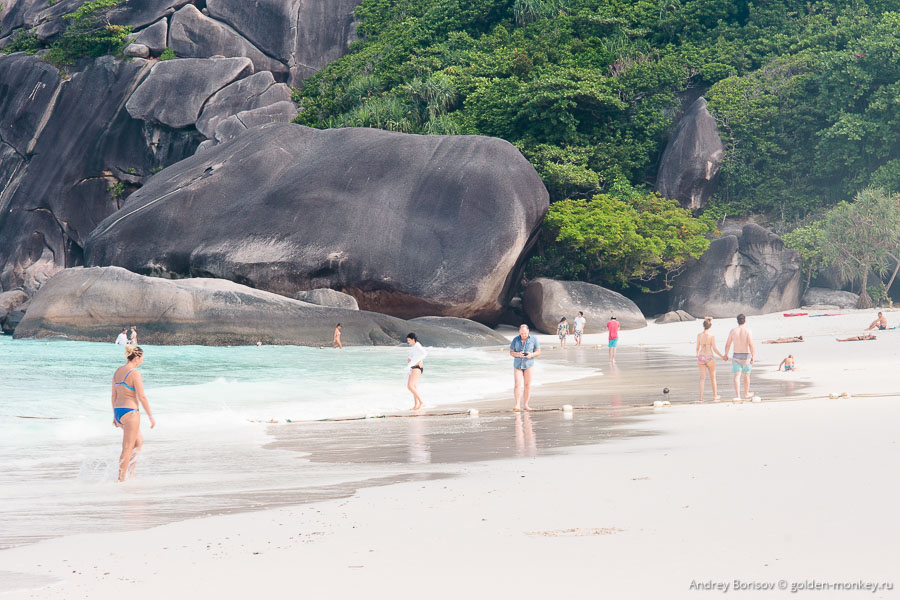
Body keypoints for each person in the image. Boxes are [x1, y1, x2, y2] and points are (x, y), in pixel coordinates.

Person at [111, 345, 155, 482]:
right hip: (130, 413)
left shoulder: (117, 371)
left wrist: (114, 415)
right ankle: (121, 480)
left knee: (139, 441)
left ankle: (130, 473)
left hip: (119, 411)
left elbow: (113, 395)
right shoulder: (134, 373)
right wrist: (150, 416)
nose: (142, 361)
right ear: (136, 357)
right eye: (142, 358)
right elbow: (142, 397)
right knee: (127, 447)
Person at [509, 324, 541, 411]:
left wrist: (531, 354)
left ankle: (526, 405)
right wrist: (517, 354)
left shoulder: (534, 339)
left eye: (525, 333)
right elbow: (511, 352)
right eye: (522, 333)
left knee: (527, 385)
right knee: (517, 384)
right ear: (519, 332)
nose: (523, 335)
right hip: (518, 365)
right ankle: (517, 404)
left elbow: (538, 351)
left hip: (528, 365)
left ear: (528, 331)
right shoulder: (515, 339)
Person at [724, 314, 755, 400]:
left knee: (737, 376)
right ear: (745, 320)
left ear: (737, 321)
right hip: (746, 356)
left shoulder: (733, 331)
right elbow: (751, 345)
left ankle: (738, 396)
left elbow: (728, 344)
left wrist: (726, 354)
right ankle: (746, 394)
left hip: (736, 355)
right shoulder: (748, 331)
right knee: (746, 376)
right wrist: (753, 356)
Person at [696, 317, 727, 402]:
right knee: (713, 378)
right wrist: (722, 357)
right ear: (710, 326)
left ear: (703, 326)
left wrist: (697, 355)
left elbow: (697, 348)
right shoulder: (711, 336)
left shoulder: (699, 335)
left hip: (701, 357)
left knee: (702, 378)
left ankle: (701, 398)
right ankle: (715, 396)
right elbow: (714, 348)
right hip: (709, 357)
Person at [406, 333, 427, 410]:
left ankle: (421, 402)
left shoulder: (417, 345)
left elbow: (424, 353)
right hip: (413, 367)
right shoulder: (414, 347)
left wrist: (418, 362)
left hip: (417, 367)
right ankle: (416, 405)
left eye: (409, 340)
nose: (408, 342)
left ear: (413, 339)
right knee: (414, 387)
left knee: (410, 386)